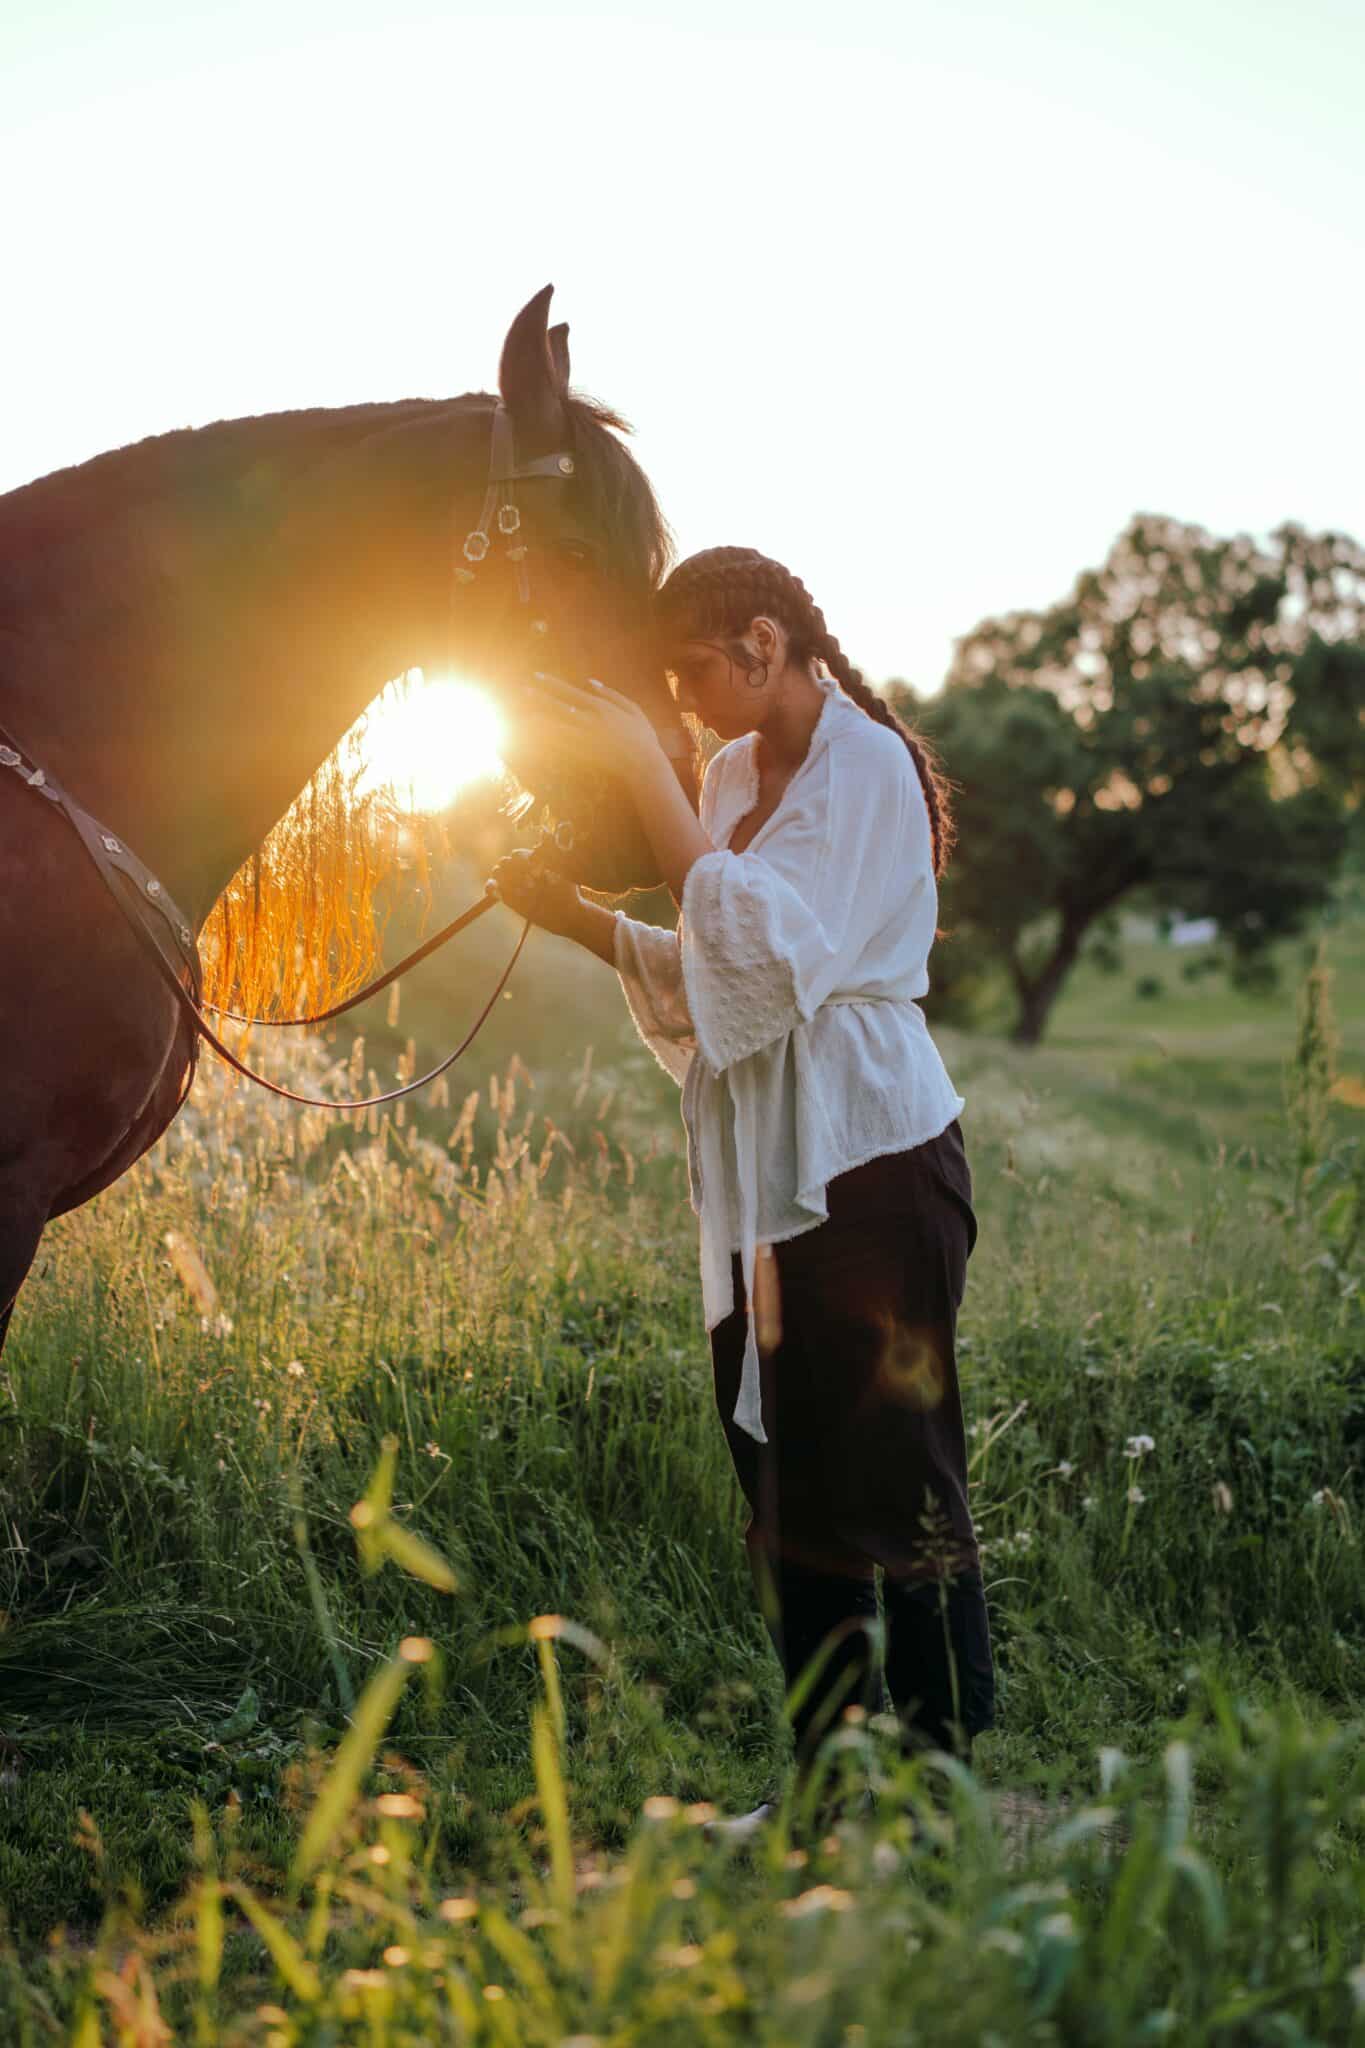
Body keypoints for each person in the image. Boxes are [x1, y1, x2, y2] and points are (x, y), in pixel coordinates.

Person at [492, 546, 995, 1830]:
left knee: (896, 1471)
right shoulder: (725, 775)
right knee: (787, 1488)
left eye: (695, 670)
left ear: (765, 644)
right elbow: (725, 971)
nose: (684, 696)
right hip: (771, 1181)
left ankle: (943, 1784)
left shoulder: (865, 764)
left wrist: (643, 781)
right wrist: (575, 914)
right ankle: (828, 1785)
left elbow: (771, 957)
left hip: (872, 1160)